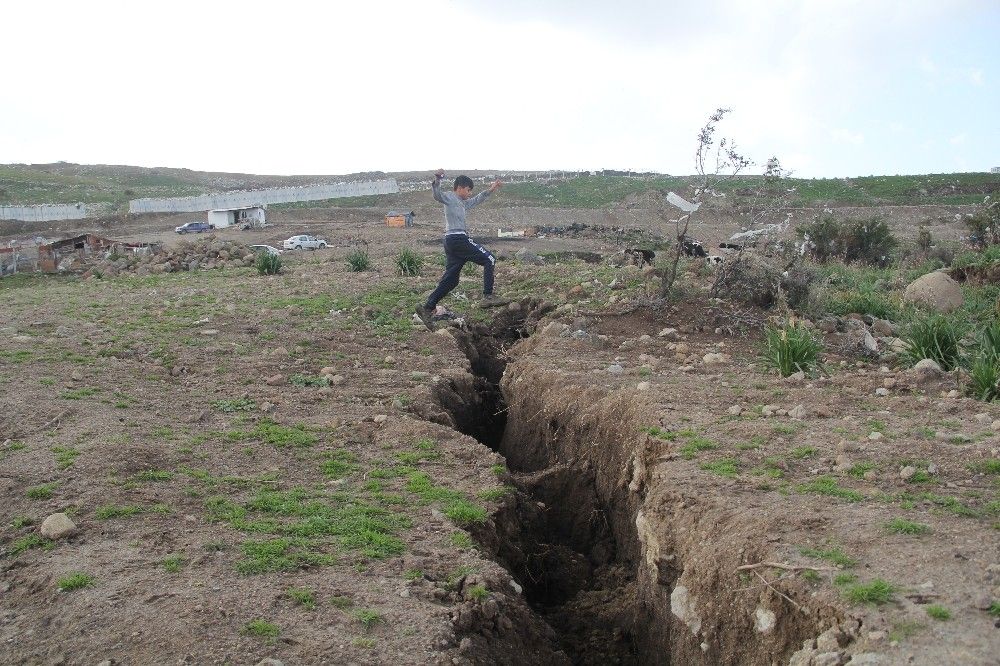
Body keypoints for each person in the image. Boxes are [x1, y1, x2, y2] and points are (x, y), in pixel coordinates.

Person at [416, 170, 504, 326]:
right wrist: (437, 178)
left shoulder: (463, 203)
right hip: (457, 239)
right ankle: (488, 296)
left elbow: (478, 199)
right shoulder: (450, 197)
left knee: (452, 280)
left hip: (451, 242)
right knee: (489, 259)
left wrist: (491, 189)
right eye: (468, 190)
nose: (470, 193)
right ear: (460, 188)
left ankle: (428, 307)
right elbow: (437, 194)